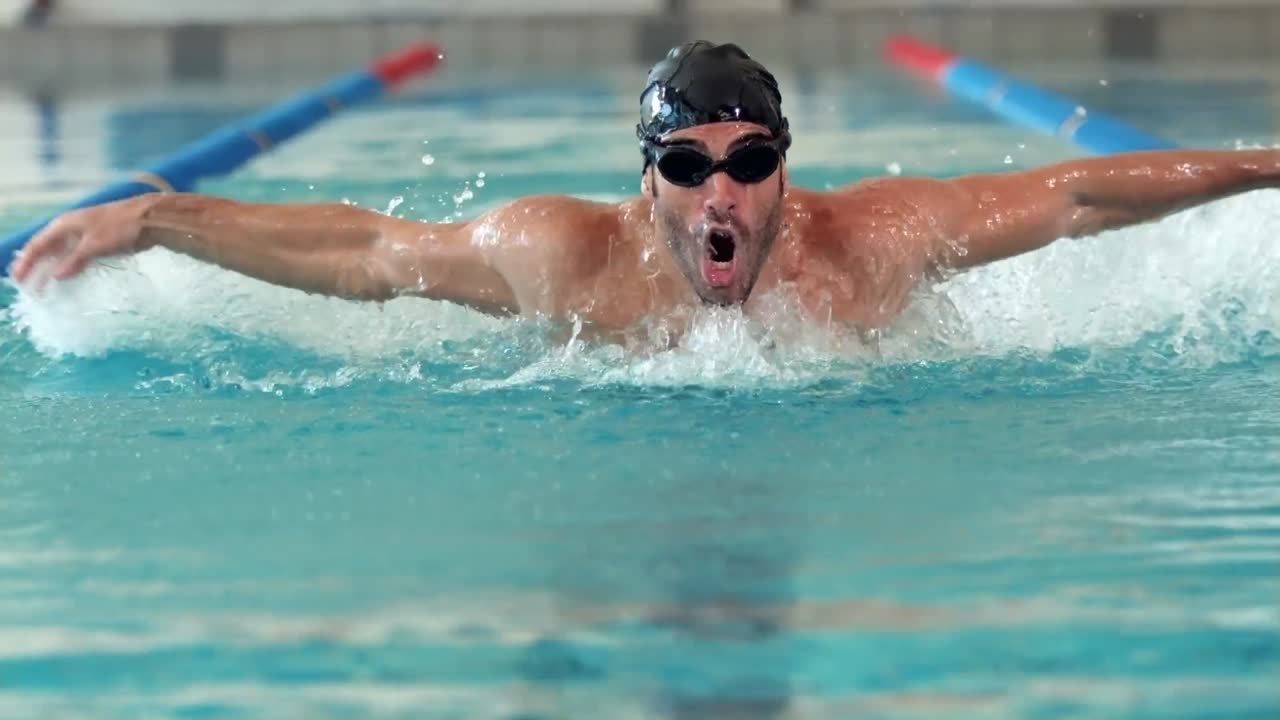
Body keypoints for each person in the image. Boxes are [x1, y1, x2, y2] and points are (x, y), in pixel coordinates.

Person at [9, 42, 1279, 342]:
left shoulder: (875, 239)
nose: (721, 193)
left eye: (749, 163)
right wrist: (156, 214)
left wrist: (1270, 163)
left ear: (784, 168)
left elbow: (1077, 194)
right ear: (648, 181)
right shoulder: (566, 257)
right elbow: (368, 251)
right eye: (687, 166)